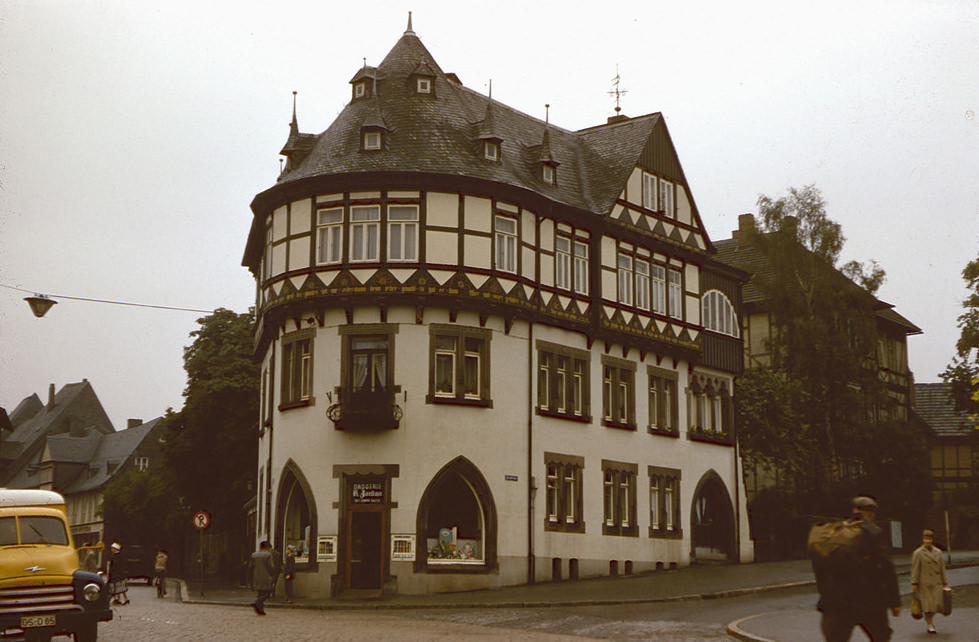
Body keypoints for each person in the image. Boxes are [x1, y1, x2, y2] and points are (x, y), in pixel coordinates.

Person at [812, 495, 901, 642]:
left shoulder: (835, 531)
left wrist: (825, 594)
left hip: (835, 603)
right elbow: (887, 567)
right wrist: (894, 601)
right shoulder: (873, 532)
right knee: (881, 637)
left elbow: (821, 567)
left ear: (853, 511)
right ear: (871, 514)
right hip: (868, 601)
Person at [911, 529, 950, 634]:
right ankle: (929, 624)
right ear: (923, 540)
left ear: (932, 540)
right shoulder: (918, 553)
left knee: (937, 605)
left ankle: (929, 619)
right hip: (925, 583)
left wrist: (945, 582)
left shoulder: (938, 552)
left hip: (937, 582)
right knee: (928, 606)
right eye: (925, 539)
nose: (927, 541)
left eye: (929, 539)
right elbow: (915, 568)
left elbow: (942, 568)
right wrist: (914, 582)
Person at [250, 540, 275, 615]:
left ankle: (260, 610)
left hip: (256, 576)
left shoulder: (254, 555)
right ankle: (257, 603)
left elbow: (250, 566)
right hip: (265, 576)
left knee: (260, 593)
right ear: (267, 547)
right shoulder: (268, 555)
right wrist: (272, 574)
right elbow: (270, 567)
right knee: (267, 593)